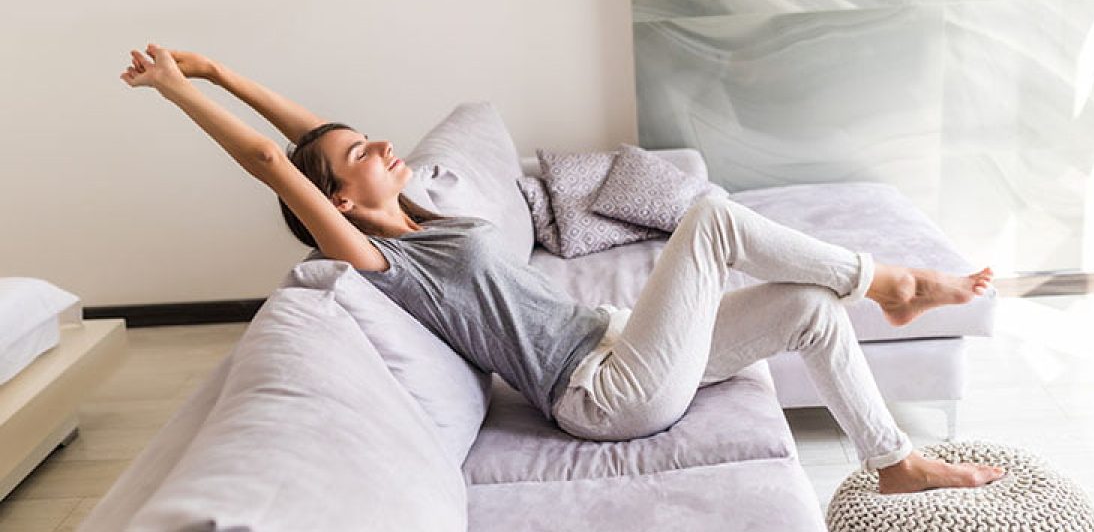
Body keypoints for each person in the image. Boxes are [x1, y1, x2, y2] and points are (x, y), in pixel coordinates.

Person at [120, 43, 1005, 494]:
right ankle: (891, 282)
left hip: (623, 348)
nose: (382, 142)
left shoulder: (417, 208)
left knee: (809, 310)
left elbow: (311, 139)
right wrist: (177, 91)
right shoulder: (381, 256)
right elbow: (281, 164)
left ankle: (890, 460)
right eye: (361, 153)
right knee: (709, 220)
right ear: (339, 206)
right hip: (603, 395)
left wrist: (220, 65)